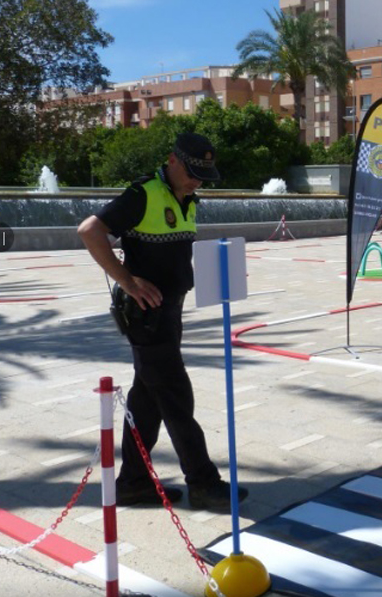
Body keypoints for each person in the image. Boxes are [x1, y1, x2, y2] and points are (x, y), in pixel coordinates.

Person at [78, 132, 248, 511]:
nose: (197, 181)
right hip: (146, 317)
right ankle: (203, 482)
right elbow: (90, 231)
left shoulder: (188, 198)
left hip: (170, 312)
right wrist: (128, 279)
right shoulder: (142, 194)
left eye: (203, 175)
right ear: (172, 160)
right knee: (176, 397)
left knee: (148, 400)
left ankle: (133, 484)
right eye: (191, 172)